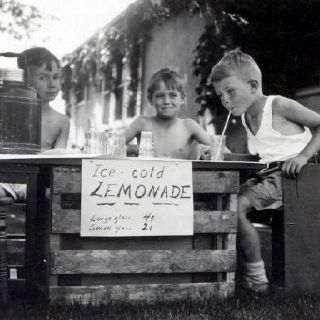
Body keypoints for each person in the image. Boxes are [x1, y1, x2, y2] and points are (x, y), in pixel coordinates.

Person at [210, 49, 320, 292]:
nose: (225, 100)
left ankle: (256, 278)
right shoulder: (248, 117)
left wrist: (302, 156)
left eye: (230, 91)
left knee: (236, 206)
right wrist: (225, 155)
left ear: (252, 85)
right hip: (268, 176)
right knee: (226, 203)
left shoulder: (278, 105)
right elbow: (261, 157)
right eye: (220, 96)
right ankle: (234, 270)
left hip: (294, 178)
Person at [0, 47, 70, 201]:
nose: (52, 84)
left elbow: (59, 163)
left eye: (56, 77)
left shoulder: (61, 121)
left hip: (39, 182)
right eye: (43, 78)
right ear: (24, 79)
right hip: (6, 178)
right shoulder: (8, 107)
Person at [126, 68, 211, 159]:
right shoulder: (142, 123)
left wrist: (204, 149)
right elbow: (111, 146)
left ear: (182, 98)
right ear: (150, 99)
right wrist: (131, 149)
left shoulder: (188, 126)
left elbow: (225, 152)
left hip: (179, 173)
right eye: (160, 96)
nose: (166, 101)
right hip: (149, 173)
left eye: (173, 95)